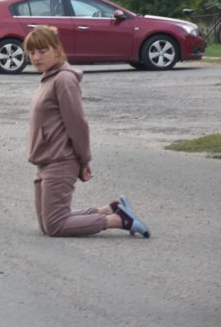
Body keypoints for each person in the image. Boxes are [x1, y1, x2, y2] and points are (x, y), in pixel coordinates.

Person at [24, 25, 149, 238]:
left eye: (42, 51)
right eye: (32, 52)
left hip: (60, 160)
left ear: (56, 49)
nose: (36, 57)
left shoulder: (64, 80)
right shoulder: (48, 77)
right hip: (44, 160)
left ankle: (118, 220)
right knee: (48, 225)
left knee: (55, 226)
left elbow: (78, 125)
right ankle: (112, 209)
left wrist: (83, 160)